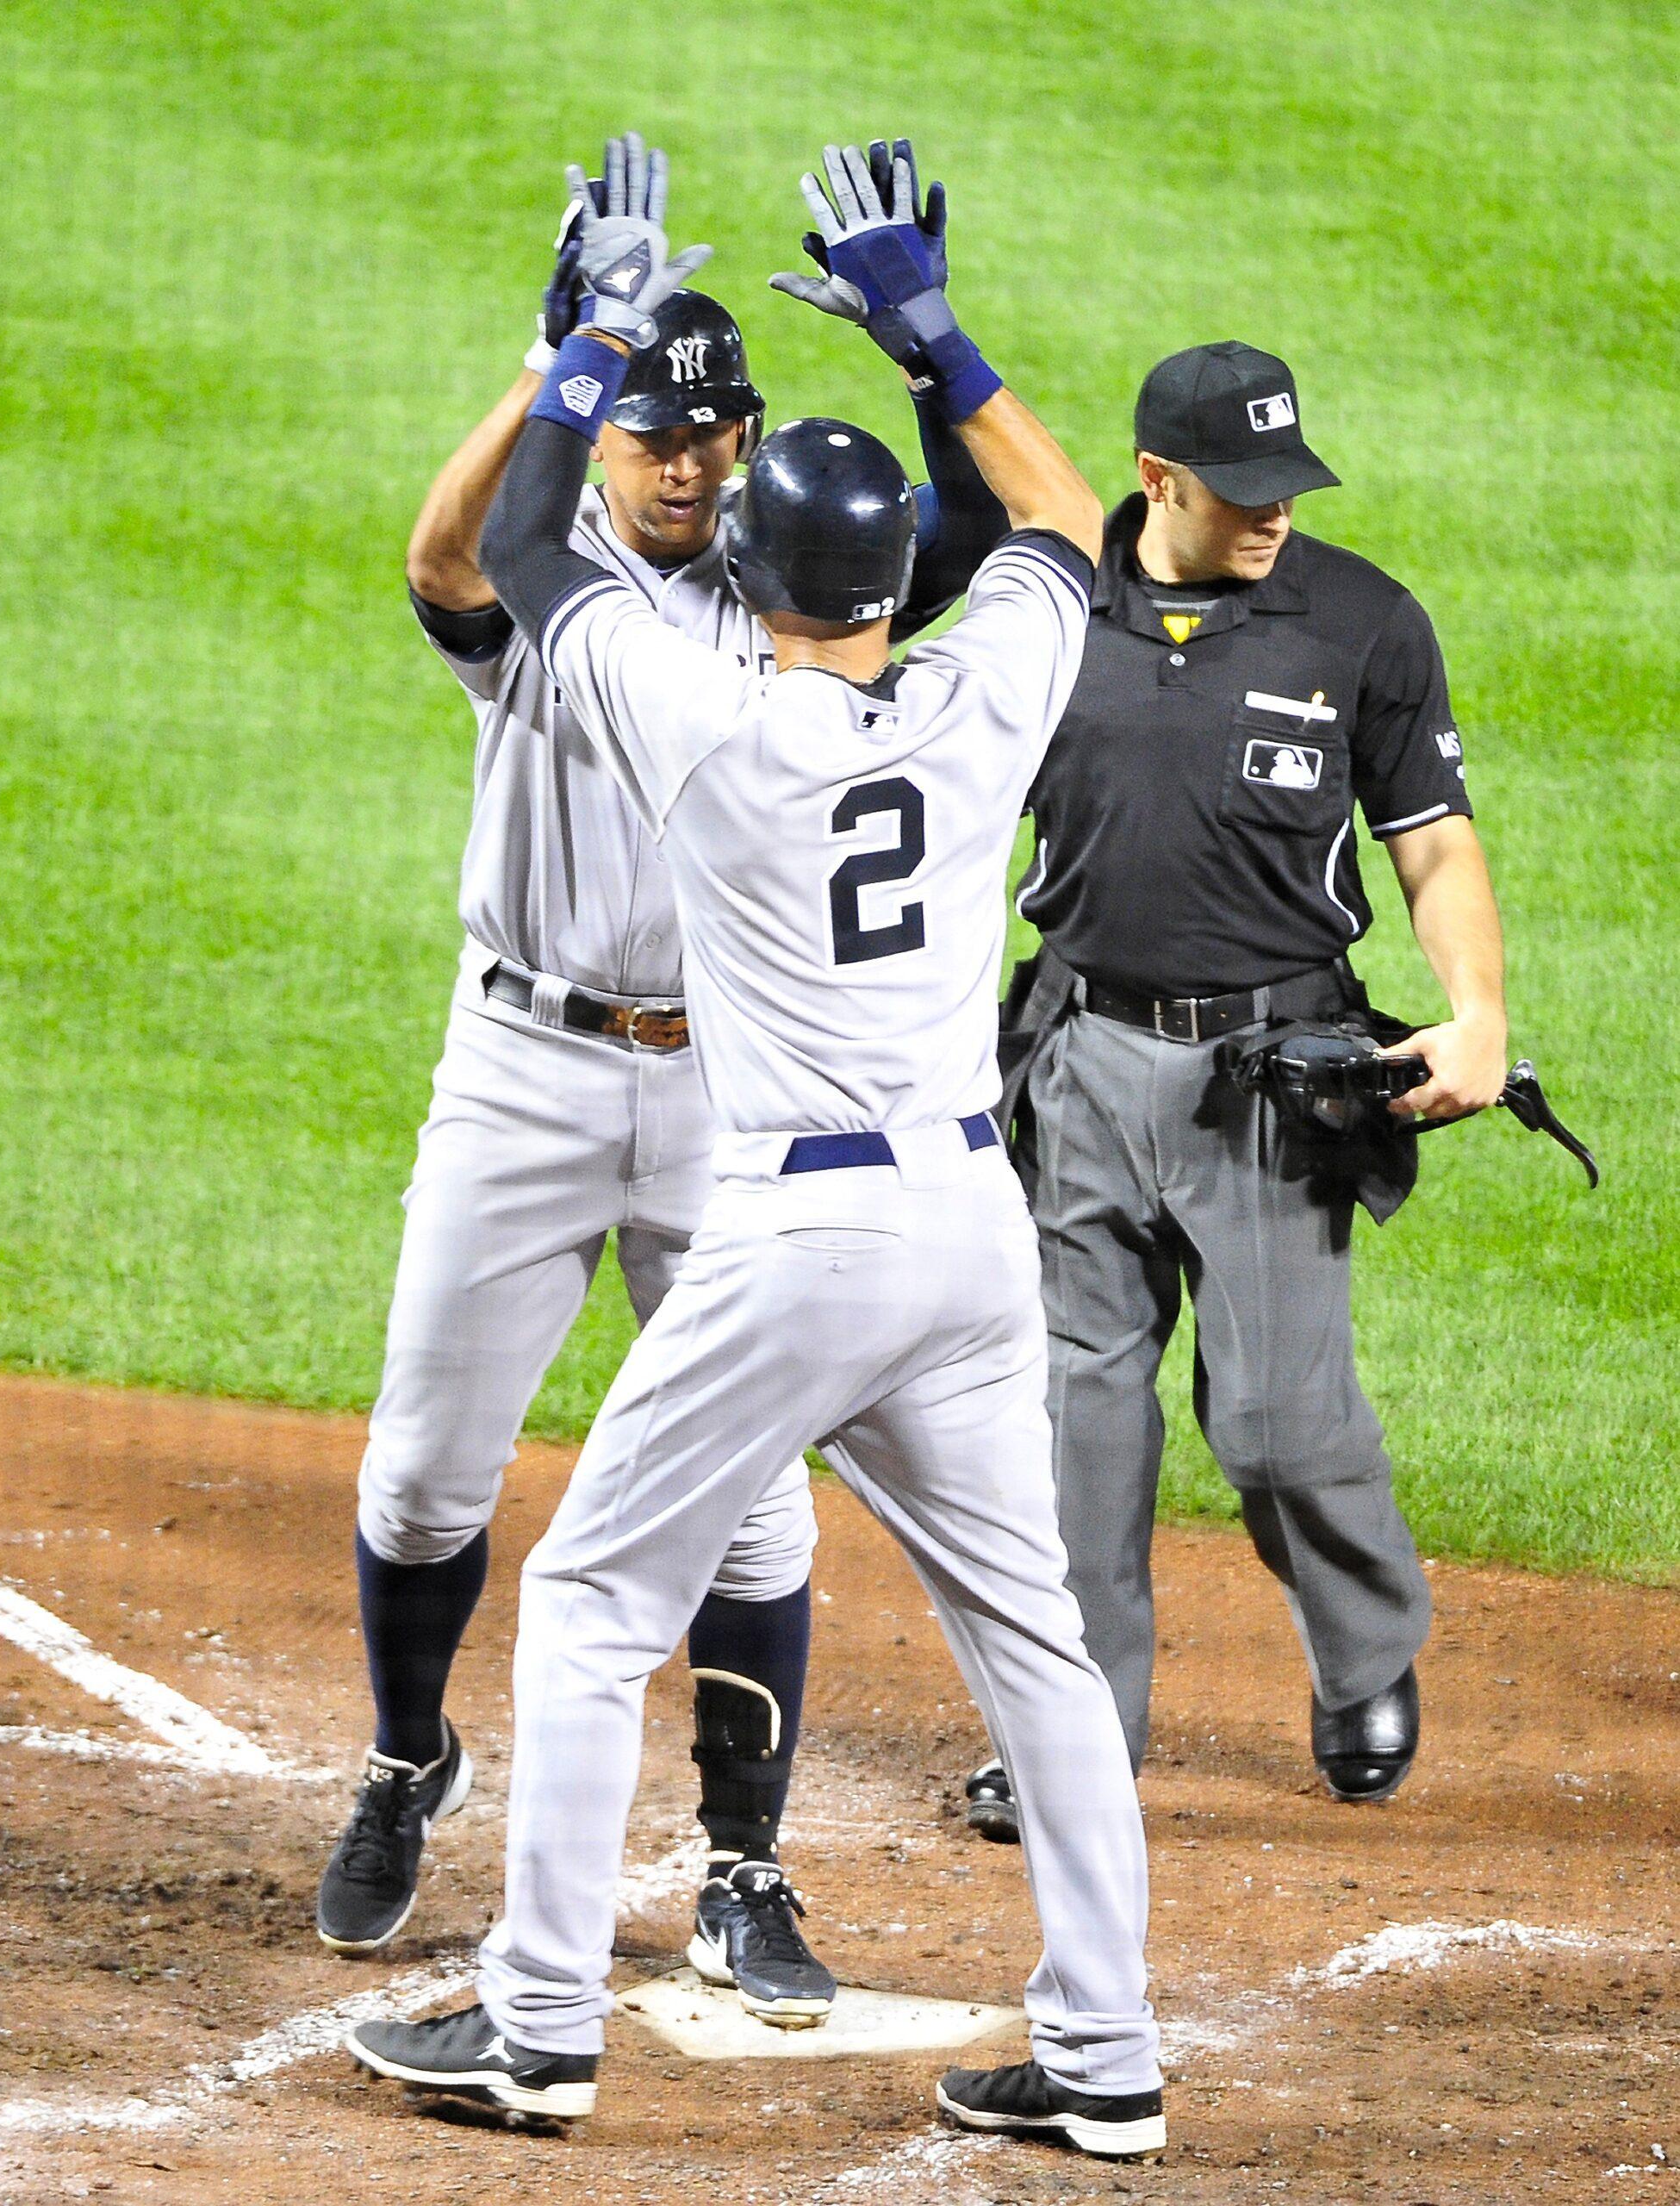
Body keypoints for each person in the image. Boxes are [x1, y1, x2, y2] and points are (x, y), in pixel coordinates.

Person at [346, 135, 1166, 2161]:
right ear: (897, 577)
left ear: (759, 575)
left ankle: (535, 2029)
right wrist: (930, 333)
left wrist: (583, 346)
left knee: (590, 1594)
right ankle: (1108, 2055)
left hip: (799, 1231)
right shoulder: (983, 692)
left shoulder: (704, 719)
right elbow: (1061, 521)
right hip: (979, 1227)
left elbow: (532, 549)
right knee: (1036, 1643)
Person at [963, 340, 1505, 1843]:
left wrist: (1477, 1011)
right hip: (1075, 1059)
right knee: (1079, 1411)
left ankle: (1364, 1657)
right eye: (1239, 489)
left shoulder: (1359, 623)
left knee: (1272, 1419)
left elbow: (1432, 840)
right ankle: (1075, 1729)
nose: (1272, 513)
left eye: (1287, 483)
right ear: (1155, 479)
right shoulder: (1051, 608)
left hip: (1267, 1081)